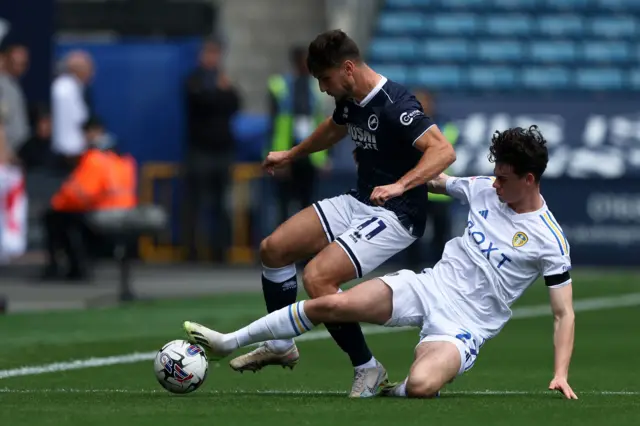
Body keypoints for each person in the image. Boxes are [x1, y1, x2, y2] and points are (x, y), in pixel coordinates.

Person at [184, 125, 578, 400]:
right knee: (334, 301)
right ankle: (228, 342)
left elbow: (563, 314)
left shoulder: (550, 239)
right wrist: (390, 170)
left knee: (422, 386)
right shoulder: (483, 190)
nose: (495, 184)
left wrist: (560, 373)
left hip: (465, 325)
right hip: (426, 288)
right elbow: (434, 180)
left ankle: (403, 382)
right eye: (494, 176)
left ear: (529, 180)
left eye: (504, 179)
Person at [212, 29, 456, 398]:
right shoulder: (349, 97)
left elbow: (443, 151)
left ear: (347, 68)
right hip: (361, 200)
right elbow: (334, 128)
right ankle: (281, 345)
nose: (323, 89)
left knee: (318, 278)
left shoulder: (396, 102)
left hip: (397, 213)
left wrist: (401, 185)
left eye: (325, 79)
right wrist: (291, 154)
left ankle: (367, 368)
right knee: (274, 249)